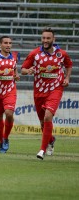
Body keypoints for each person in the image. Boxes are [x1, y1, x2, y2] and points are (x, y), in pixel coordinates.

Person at [21, 28, 72, 160]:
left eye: (48, 38)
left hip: (56, 89)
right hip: (39, 91)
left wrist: (67, 78)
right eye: (43, 38)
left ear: (53, 40)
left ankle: (42, 150)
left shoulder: (61, 54)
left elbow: (69, 65)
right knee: (43, 122)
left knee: (48, 116)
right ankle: (51, 140)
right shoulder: (34, 54)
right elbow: (22, 70)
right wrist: (29, 71)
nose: (45, 40)